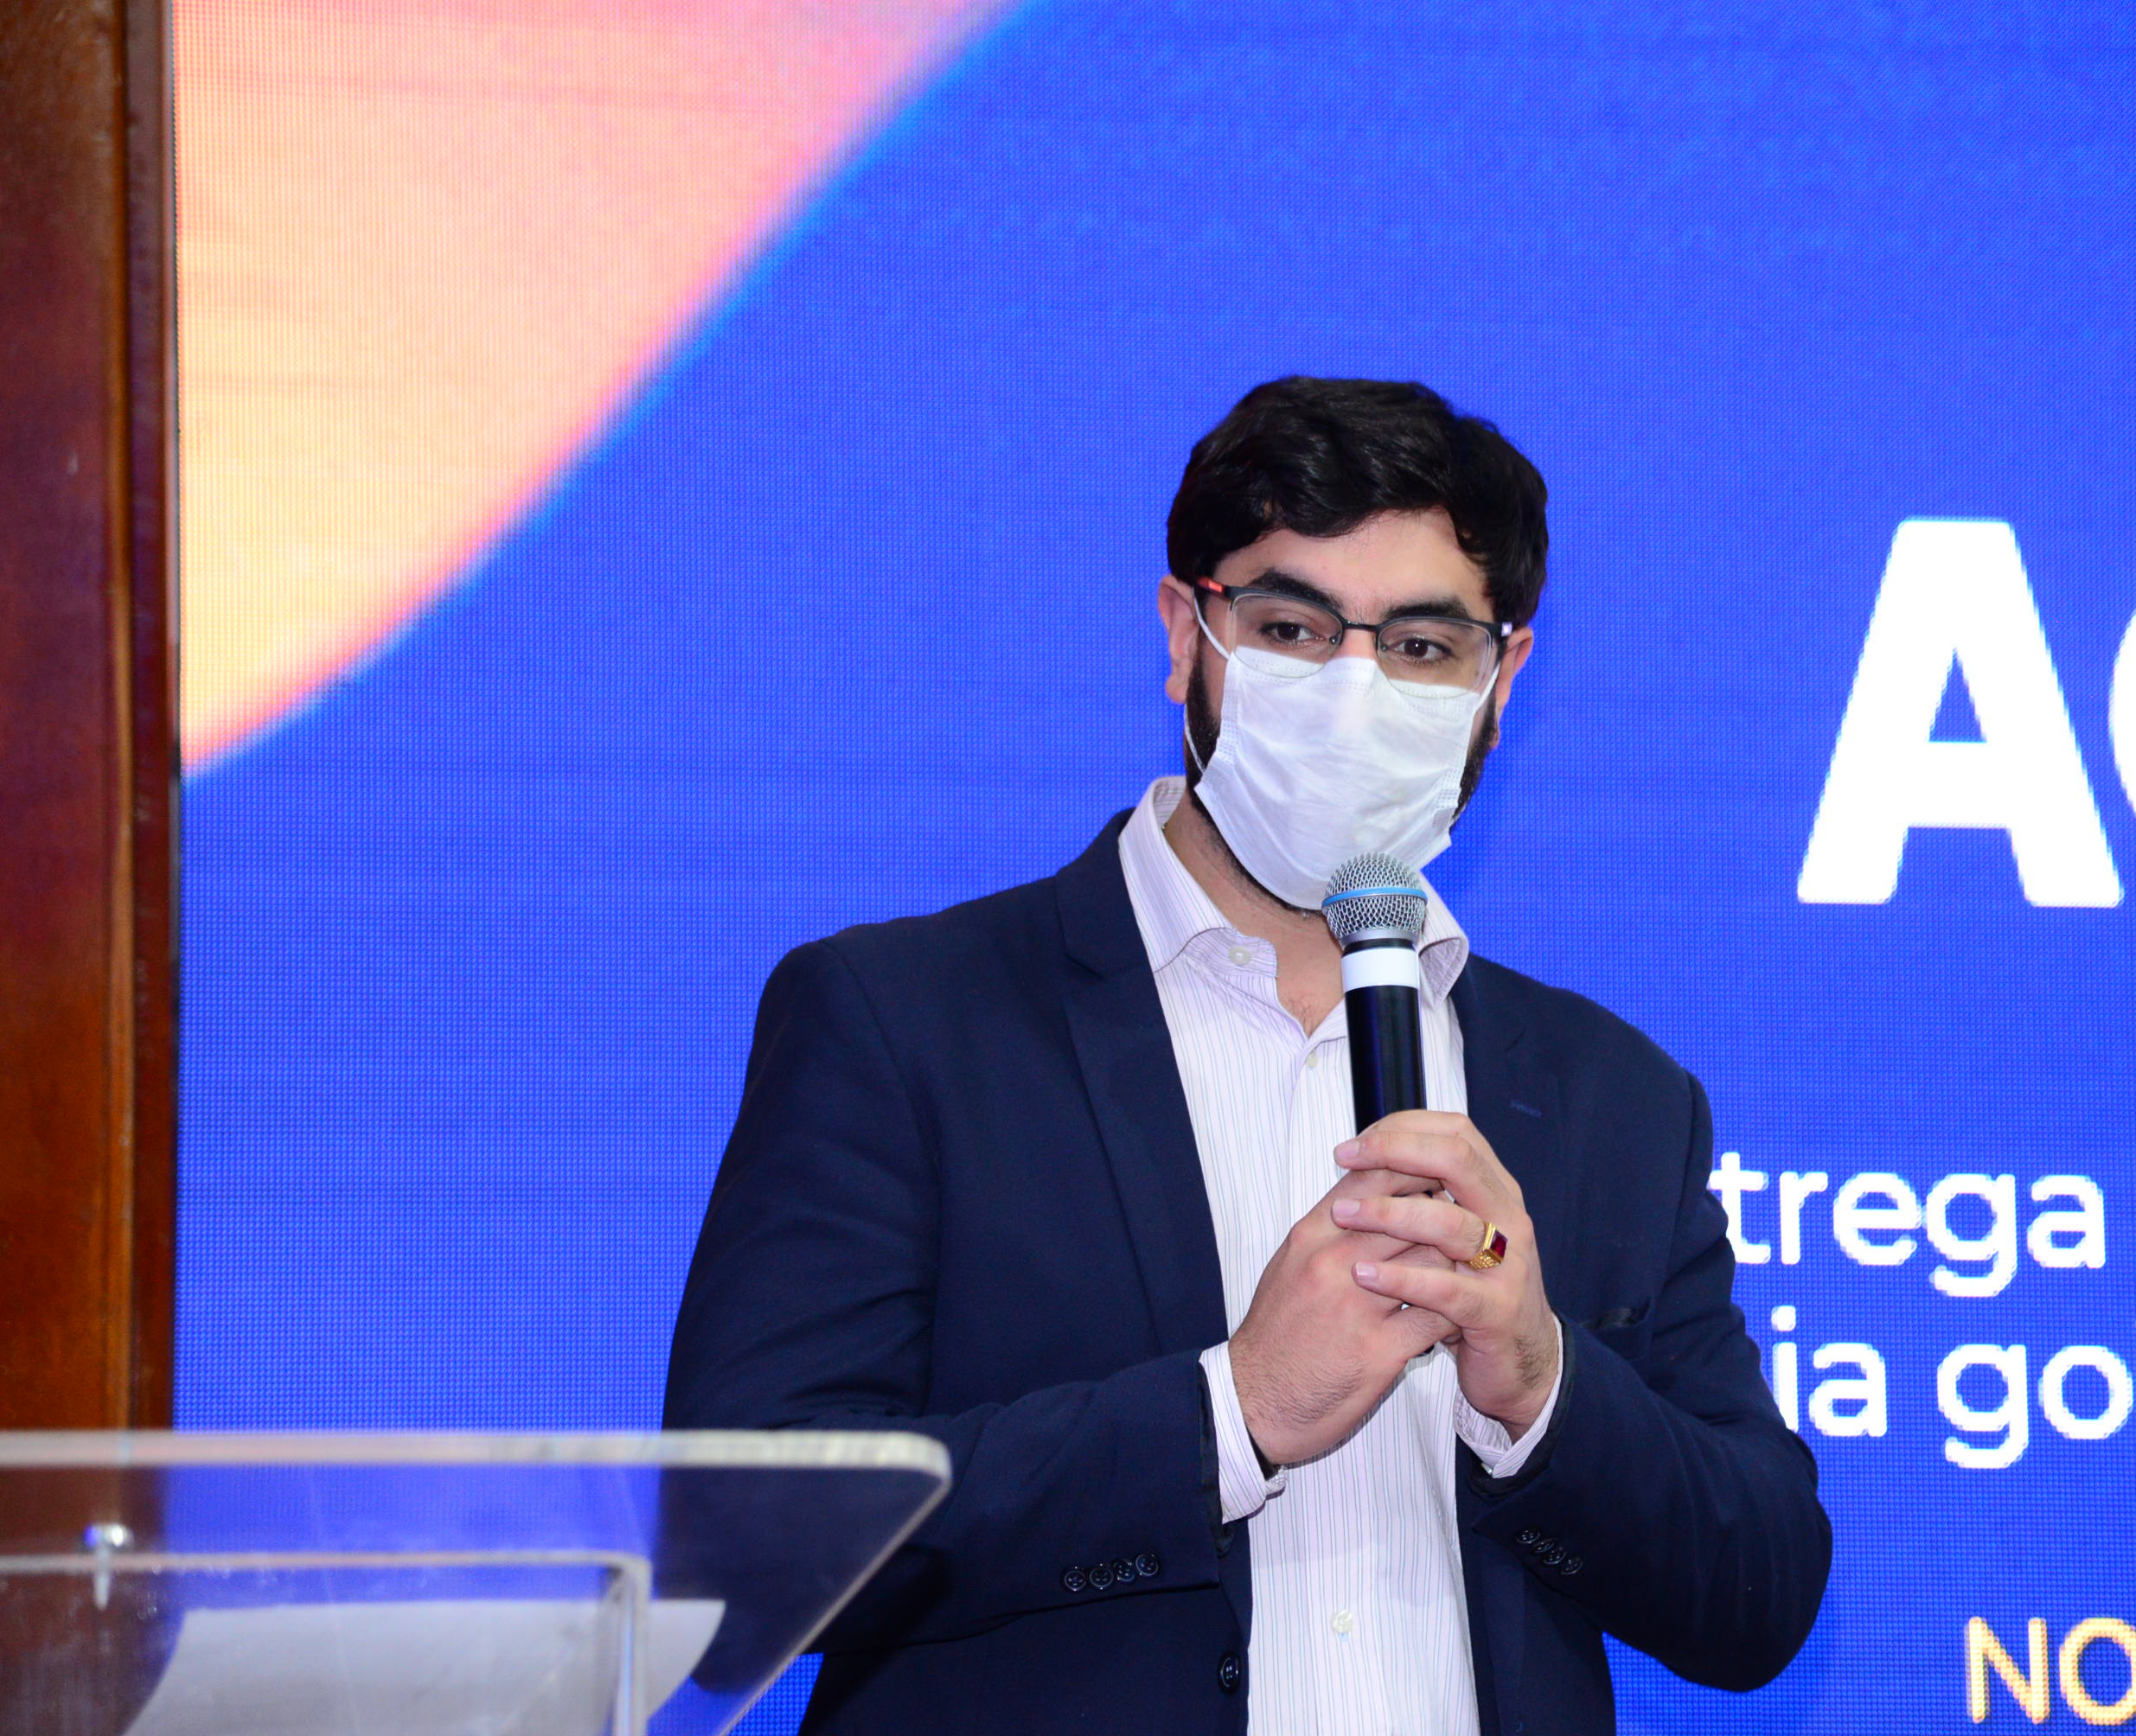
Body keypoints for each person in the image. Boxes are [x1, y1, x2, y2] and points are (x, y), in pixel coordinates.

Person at [664, 377, 1831, 1734]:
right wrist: (1234, 1412)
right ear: (1187, 635)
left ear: (1501, 680)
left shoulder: (1609, 1093)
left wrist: (1539, 1383)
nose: (1353, 694)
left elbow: (1759, 1593)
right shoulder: (906, 1019)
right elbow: (742, 1543)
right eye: (1291, 629)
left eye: (1421, 646)